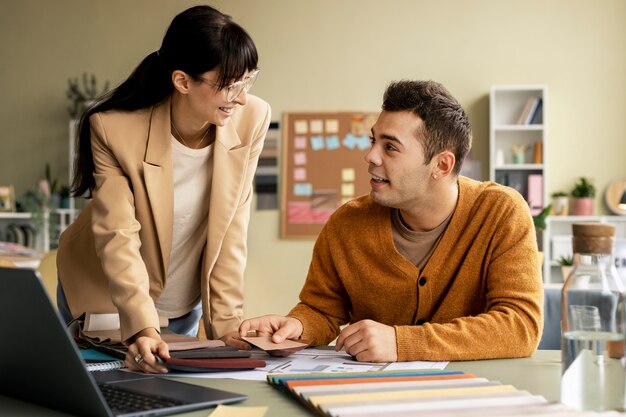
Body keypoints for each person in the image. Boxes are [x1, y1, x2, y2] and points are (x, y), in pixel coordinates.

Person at [240, 80, 543, 362]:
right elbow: (322, 309)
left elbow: (520, 325)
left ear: (442, 164)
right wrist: (295, 326)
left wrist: (402, 343)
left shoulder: (501, 211)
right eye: (373, 141)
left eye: (390, 147)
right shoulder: (347, 223)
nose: (370, 156)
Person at [56, 5, 271, 373]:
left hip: (182, 301)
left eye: (248, 81)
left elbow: (233, 228)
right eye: (230, 84)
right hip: (105, 293)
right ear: (183, 81)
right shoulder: (114, 129)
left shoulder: (252, 117)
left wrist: (227, 326)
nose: (241, 97)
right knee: (109, 395)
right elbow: (117, 234)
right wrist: (142, 325)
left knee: (178, 392)